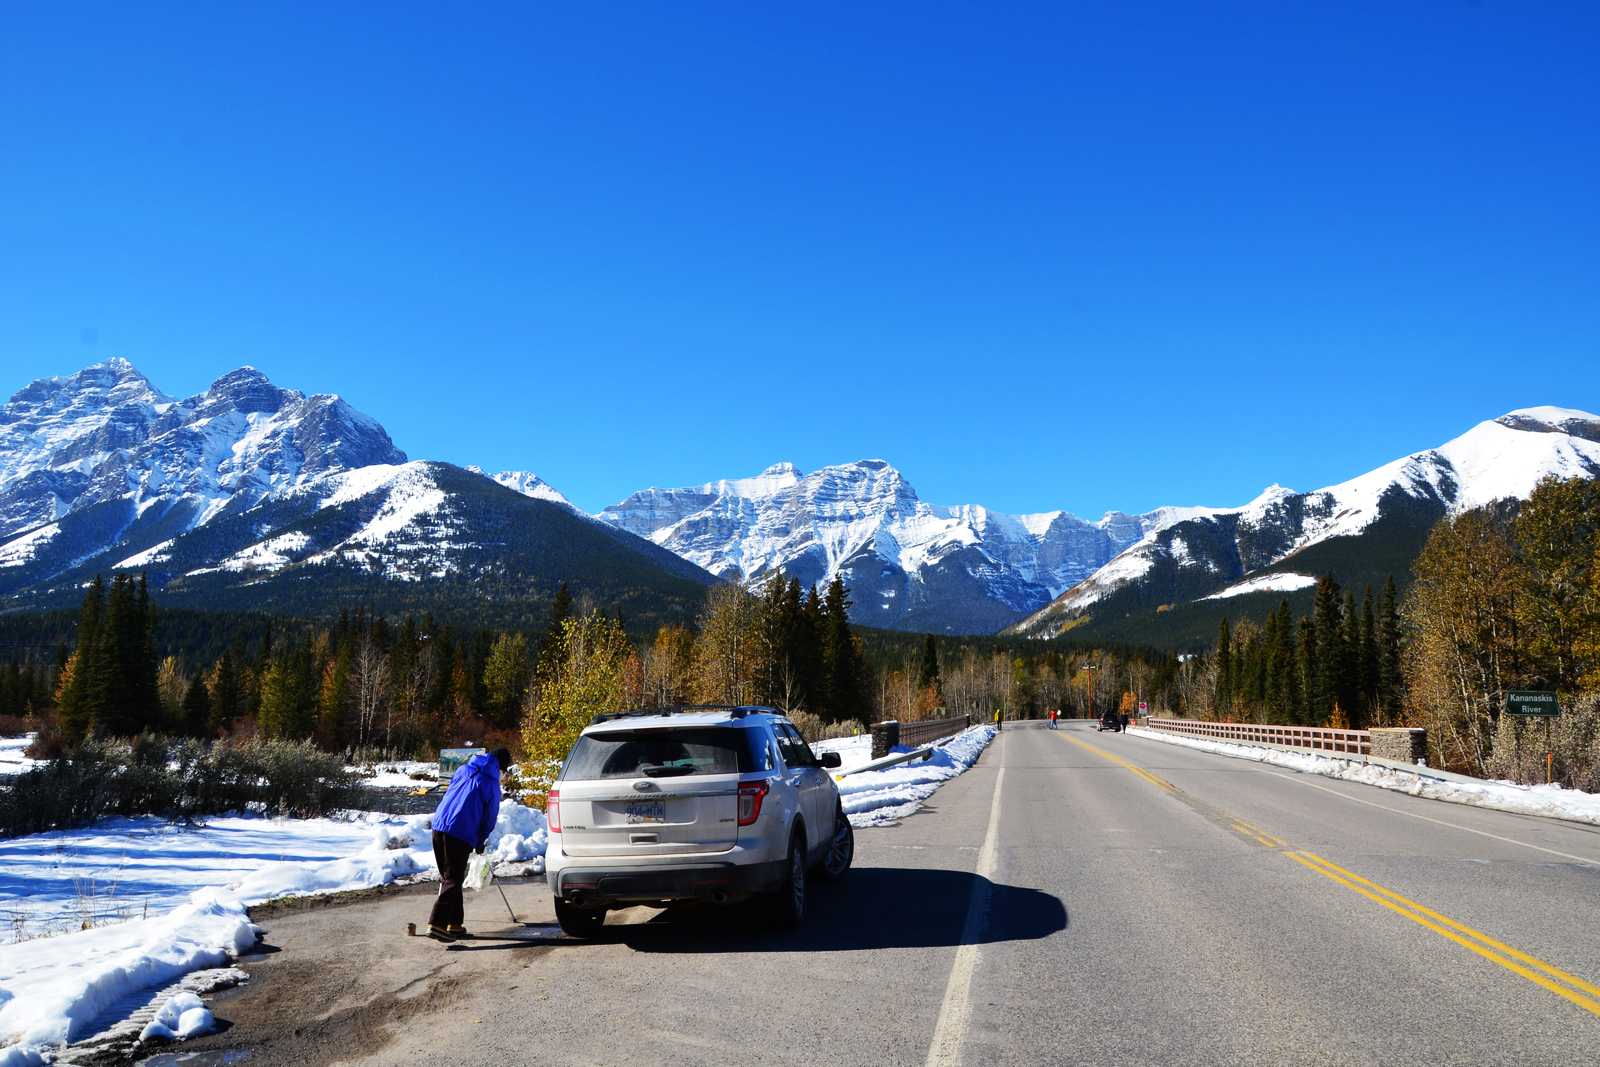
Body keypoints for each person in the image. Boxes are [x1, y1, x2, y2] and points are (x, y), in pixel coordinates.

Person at [427, 747, 511, 943]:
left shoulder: (463, 769)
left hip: (438, 825)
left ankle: (454, 924)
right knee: (454, 878)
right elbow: (489, 819)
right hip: (460, 831)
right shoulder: (491, 785)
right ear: (500, 766)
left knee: (449, 877)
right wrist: (480, 841)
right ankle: (437, 923)